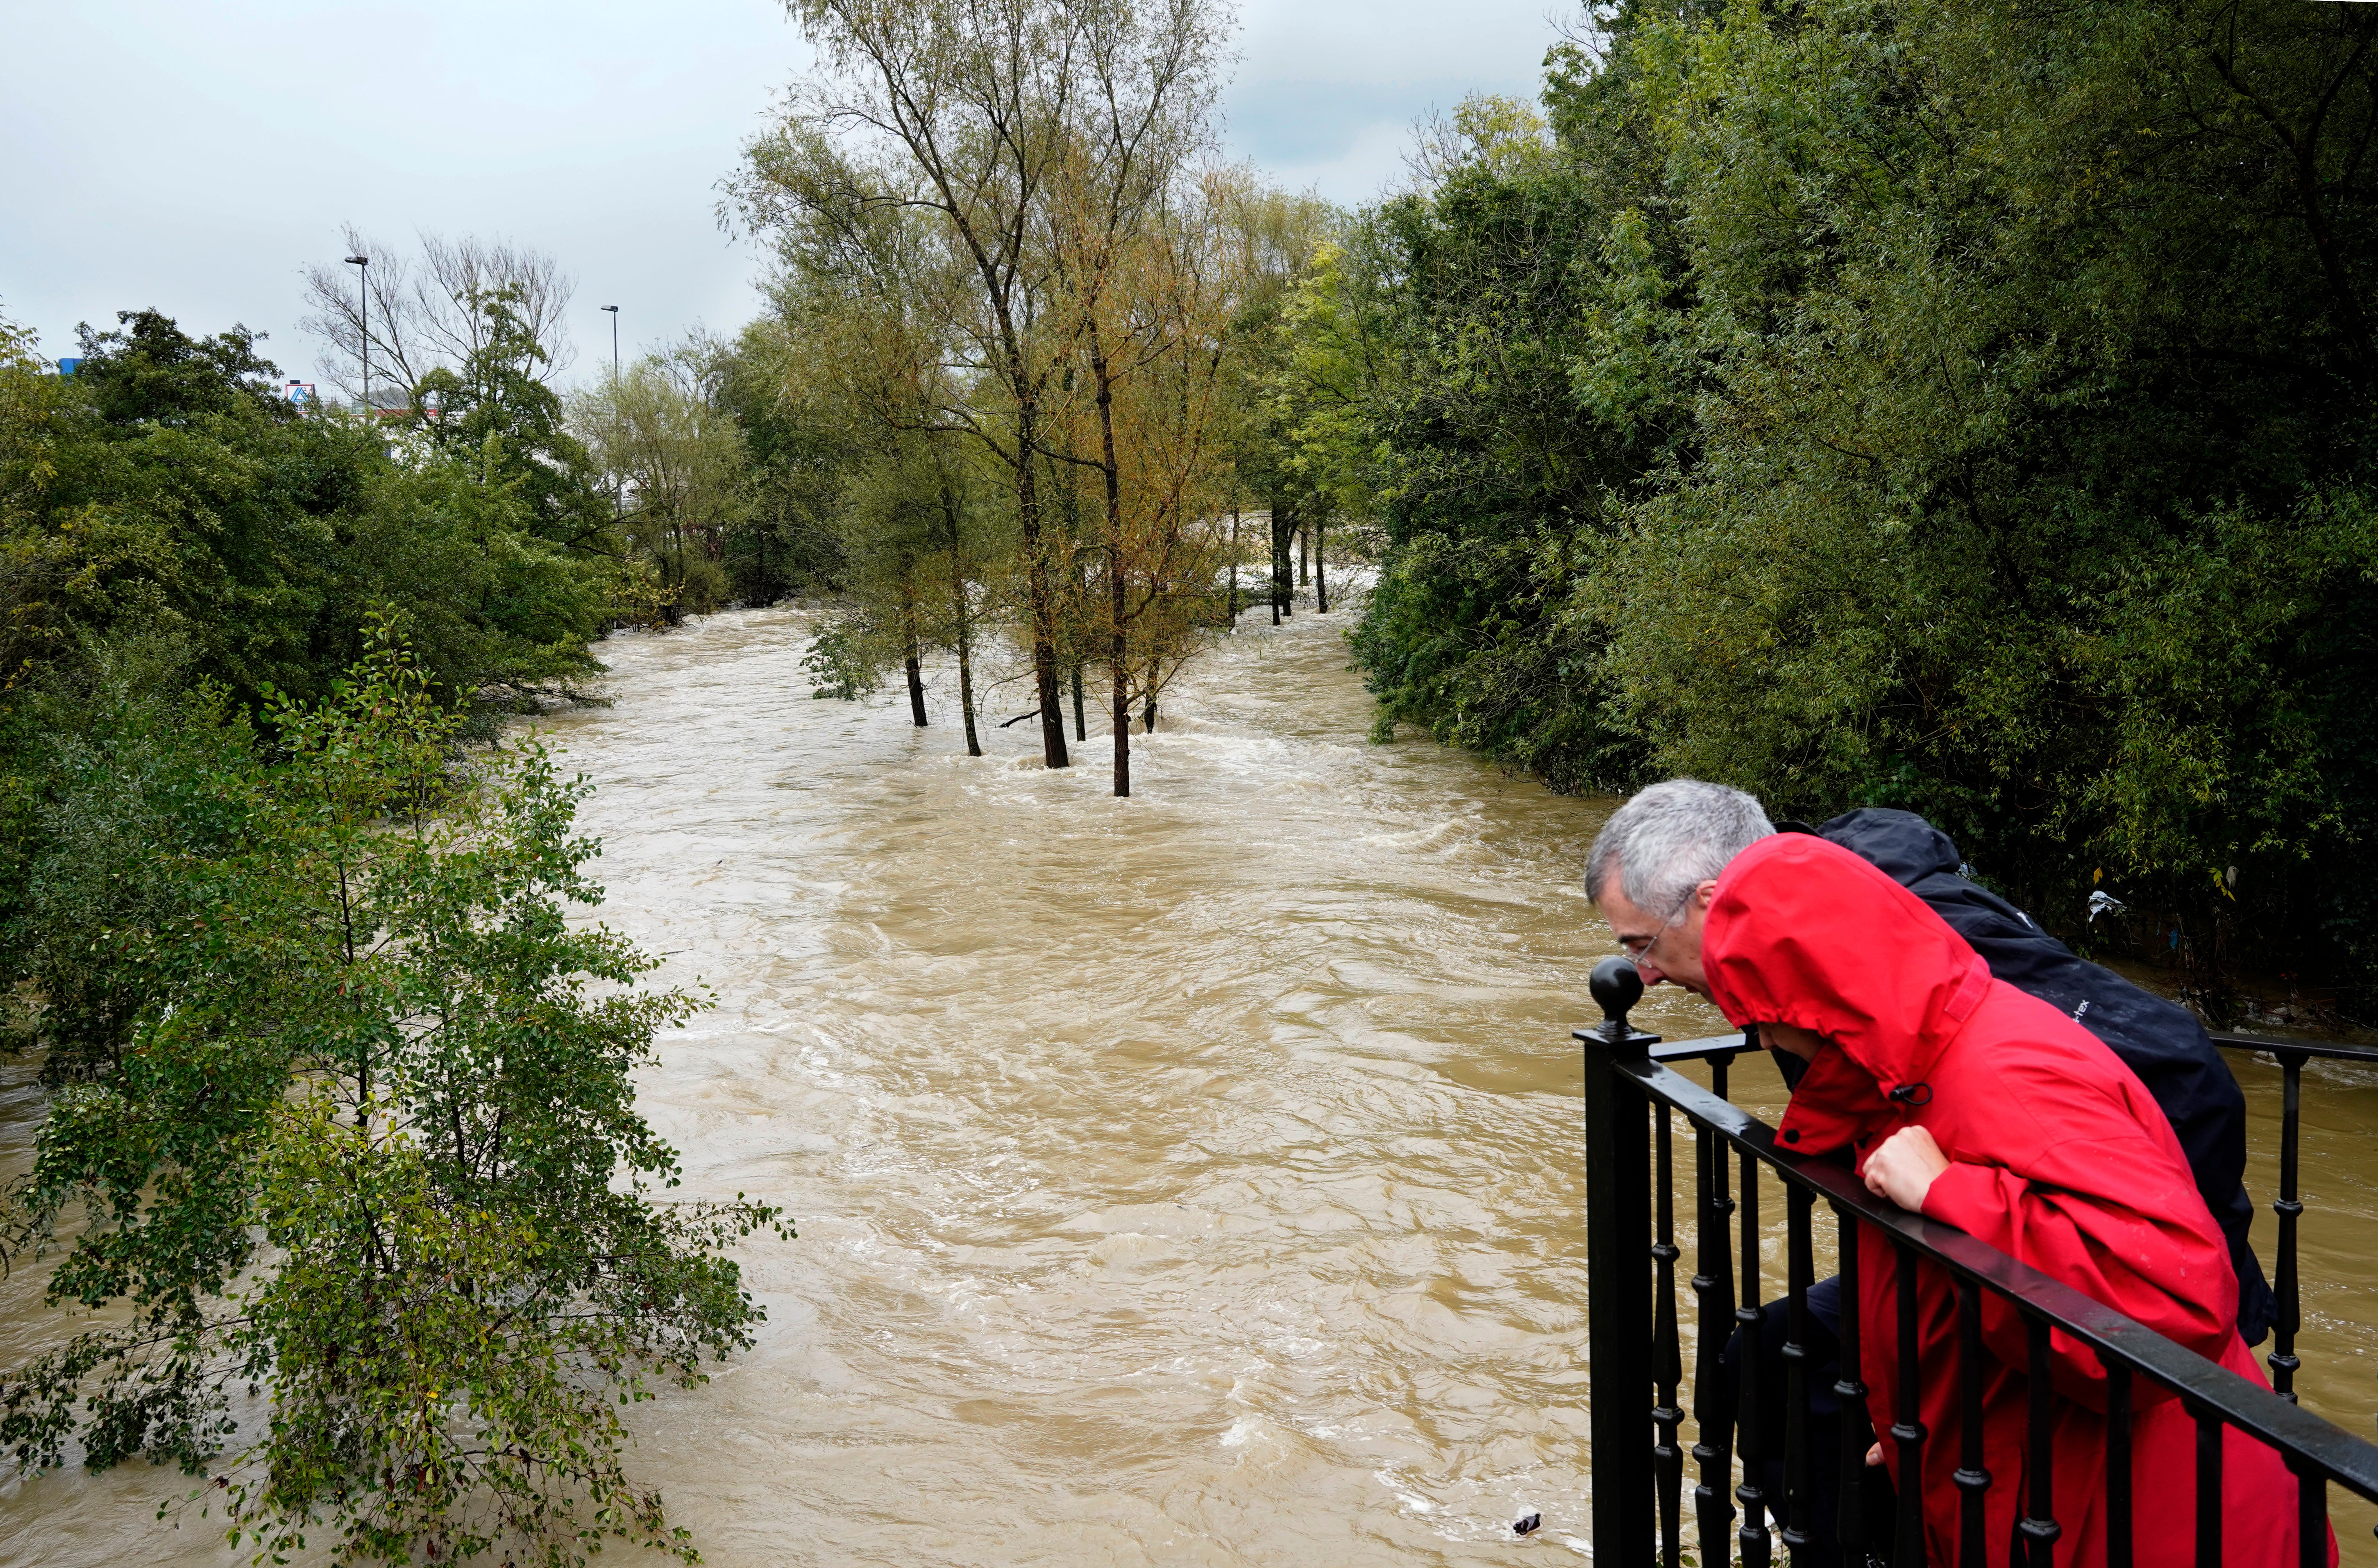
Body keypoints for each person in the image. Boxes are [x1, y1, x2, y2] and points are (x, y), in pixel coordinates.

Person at [1697, 832, 2323, 1567]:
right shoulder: (1914, 1072)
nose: (1762, 1037)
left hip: (2151, 1522)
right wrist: (1917, 1426)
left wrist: (1950, 1193)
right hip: (2054, 1483)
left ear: (1818, 992)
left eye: (1760, 1011)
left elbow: (2174, 1307)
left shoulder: (2003, 1073)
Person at [1584, 780, 2271, 1341]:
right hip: (1979, 1272)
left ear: (1710, 902)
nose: (1643, 975)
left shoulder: (1889, 952)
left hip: (2124, 1308)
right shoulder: (1808, 959)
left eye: (1643, 945)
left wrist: (2210, 1310)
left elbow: (2176, 1068)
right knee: (1765, 1356)